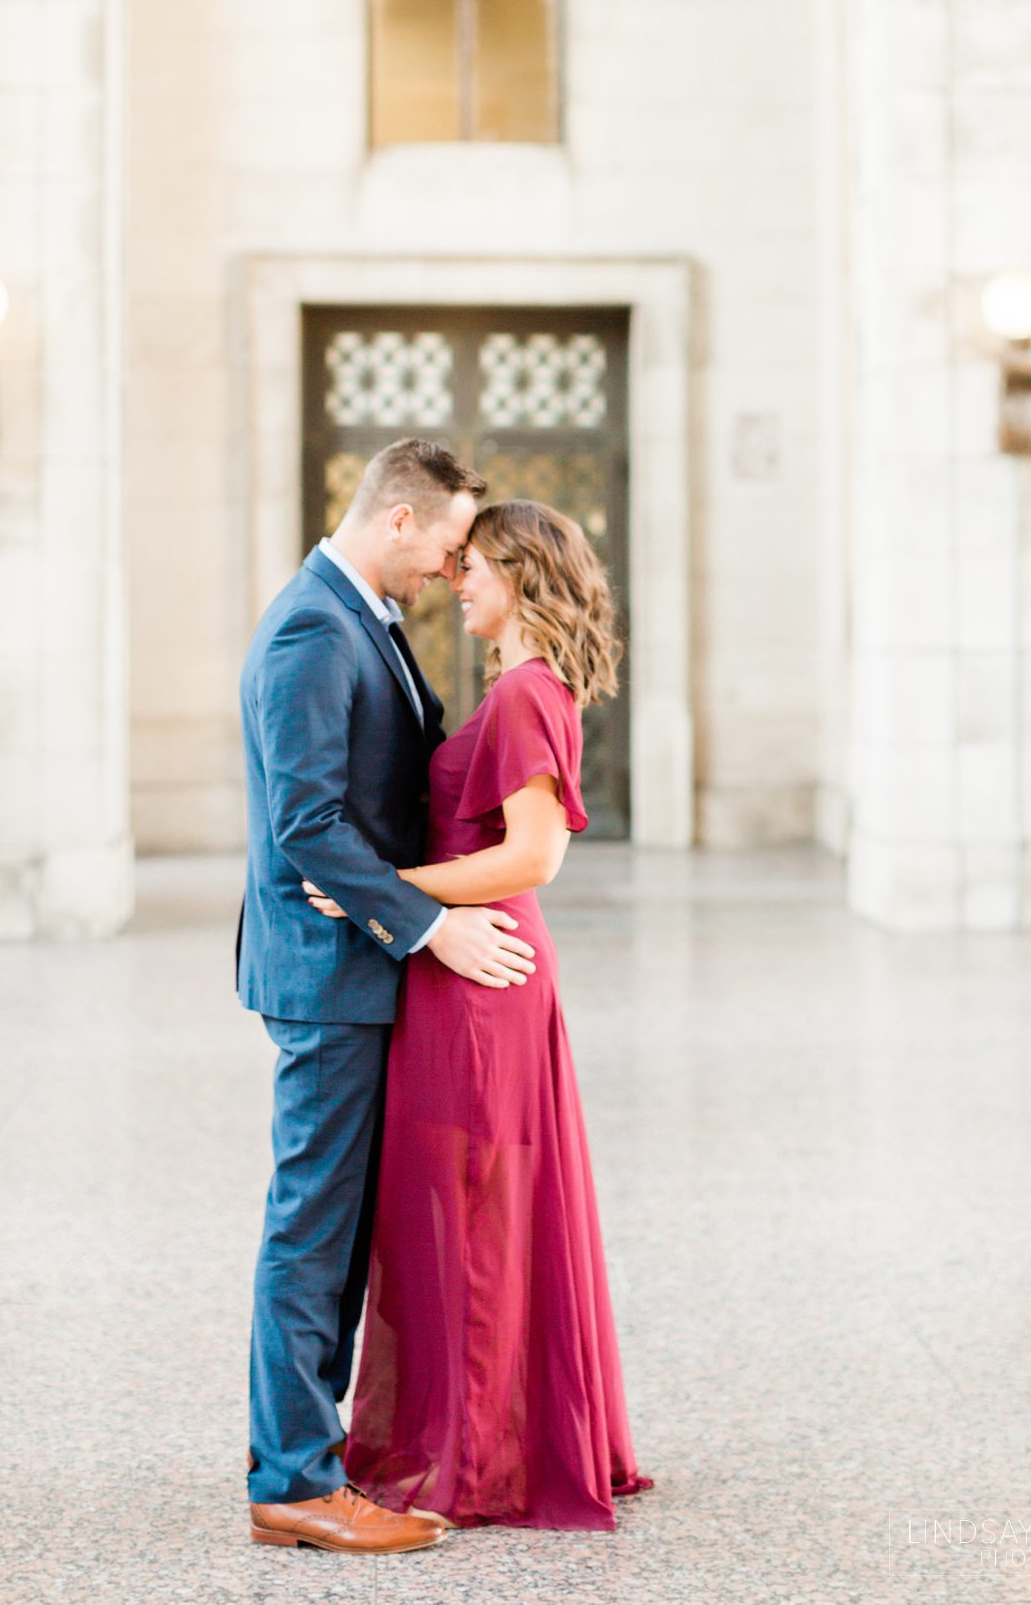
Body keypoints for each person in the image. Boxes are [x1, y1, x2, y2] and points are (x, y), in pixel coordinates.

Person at [307, 500, 653, 1529]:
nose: (454, 581)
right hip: (473, 964)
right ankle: (491, 1427)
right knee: (473, 1206)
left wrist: (384, 884)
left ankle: (480, 1455)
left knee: (472, 1210)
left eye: (472, 567)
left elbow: (535, 854)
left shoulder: (522, 695)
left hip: (480, 974)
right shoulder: (515, 688)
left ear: (519, 571)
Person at [236, 439, 541, 1556]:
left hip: (359, 968)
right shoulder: (316, 627)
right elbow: (307, 824)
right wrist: (433, 923)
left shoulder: (360, 614)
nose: (450, 569)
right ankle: (292, 1480)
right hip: (328, 973)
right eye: (449, 545)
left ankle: (315, 1456)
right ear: (400, 519)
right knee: (312, 1226)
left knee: (341, 1222)